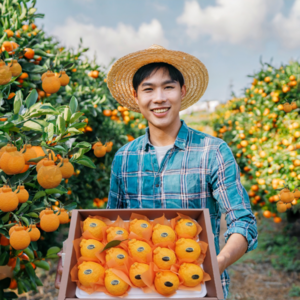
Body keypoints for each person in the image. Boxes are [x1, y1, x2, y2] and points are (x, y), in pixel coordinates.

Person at [55, 45, 258, 299]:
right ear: (136, 96)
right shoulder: (124, 157)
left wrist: (219, 262)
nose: (159, 98)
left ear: (182, 91)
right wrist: (73, 257)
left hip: (195, 287)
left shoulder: (213, 152)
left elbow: (243, 222)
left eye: (168, 87)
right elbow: (110, 228)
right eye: (148, 89)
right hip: (137, 289)